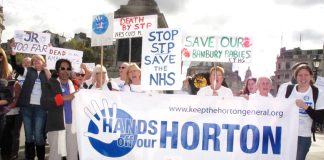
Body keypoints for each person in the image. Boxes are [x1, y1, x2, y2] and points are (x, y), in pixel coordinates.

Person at [277, 64, 324, 160]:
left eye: (306, 75)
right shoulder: (287, 89)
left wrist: (306, 107)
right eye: (300, 75)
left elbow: (321, 119)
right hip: (287, 134)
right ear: (296, 76)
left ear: (311, 76)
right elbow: (276, 109)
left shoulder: (317, 92)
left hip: (303, 136)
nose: (303, 78)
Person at [10, 50, 51, 160]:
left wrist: (46, 68)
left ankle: (41, 157)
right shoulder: (28, 71)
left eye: (39, 61)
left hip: (40, 108)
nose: (36, 62)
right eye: (34, 61)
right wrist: (13, 54)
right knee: (28, 134)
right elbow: (16, 67)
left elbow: (51, 81)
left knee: (38, 135)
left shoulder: (46, 72)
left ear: (43, 62)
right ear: (32, 63)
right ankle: (29, 157)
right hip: (27, 107)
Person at [41, 59, 78, 160]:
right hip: (56, 125)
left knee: (73, 155)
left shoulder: (75, 86)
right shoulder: (50, 84)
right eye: (62, 68)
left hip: (73, 125)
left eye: (68, 68)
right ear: (57, 71)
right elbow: (44, 103)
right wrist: (65, 98)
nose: (66, 71)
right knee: (55, 156)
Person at [1, 57, 31, 160]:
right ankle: (6, 153)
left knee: (15, 133)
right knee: (6, 133)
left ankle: (13, 154)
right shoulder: (14, 75)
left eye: (29, 63)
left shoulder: (32, 75)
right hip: (8, 110)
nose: (27, 64)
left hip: (20, 108)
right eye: (25, 63)